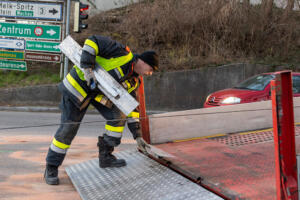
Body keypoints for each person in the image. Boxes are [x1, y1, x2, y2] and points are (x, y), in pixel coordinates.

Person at [44, 35, 159, 185]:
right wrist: (87, 68)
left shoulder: (133, 81)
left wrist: (137, 136)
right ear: (144, 62)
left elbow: (132, 109)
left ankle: (106, 156)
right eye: (151, 69)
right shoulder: (122, 54)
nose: (149, 74)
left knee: (119, 115)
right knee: (68, 129)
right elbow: (93, 41)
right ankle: (51, 167)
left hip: (96, 95)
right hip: (77, 88)